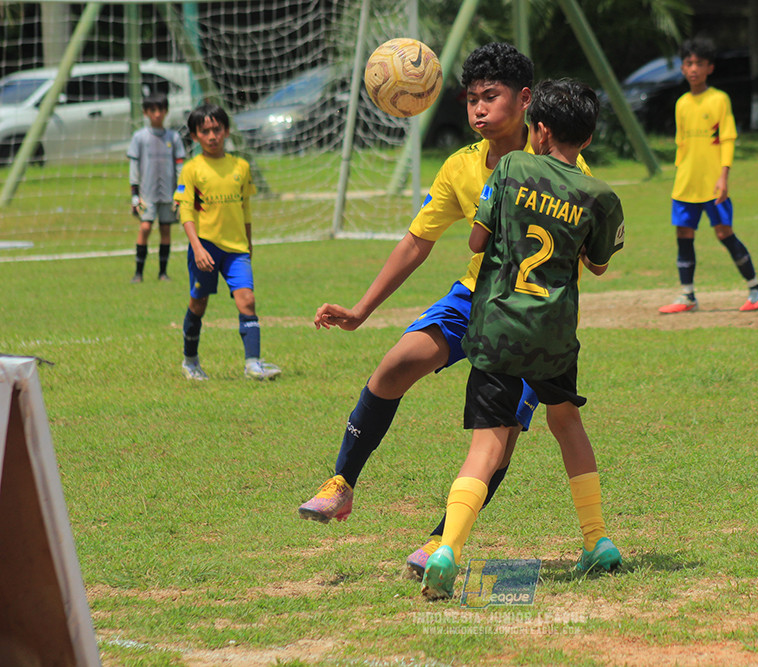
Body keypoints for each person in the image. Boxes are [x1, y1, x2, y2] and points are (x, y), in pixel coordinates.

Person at [300, 43, 594, 577]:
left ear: (526, 100)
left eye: (492, 96)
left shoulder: (562, 163)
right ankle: (341, 483)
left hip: (531, 315)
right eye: (471, 99)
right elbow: (418, 241)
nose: (479, 108)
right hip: (473, 299)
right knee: (394, 367)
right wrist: (362, 309)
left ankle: (441, 541)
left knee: (499, 442)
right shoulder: (460, 167)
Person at [421, 78, 625, 600]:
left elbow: (475, 239)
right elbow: (597, 265)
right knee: (567, 422)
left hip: (498, 326)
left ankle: (447, 549)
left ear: (540, 130)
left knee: (487, 445)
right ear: (588, 136)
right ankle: (597, 540)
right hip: (553, 331)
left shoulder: (509, 168)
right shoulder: (600, 196)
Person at [658, 37, 758, 315]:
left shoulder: (719, 99)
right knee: (683, 234)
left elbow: (728, 139)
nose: (693, 68)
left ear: (710, 68)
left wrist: (724, 177)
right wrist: (679, 175)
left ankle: (756, 288)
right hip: (686, 183)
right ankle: (687, 296)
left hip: (712, 182)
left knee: (723, 232)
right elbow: (681, 145)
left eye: (699, 64)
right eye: (688, 63)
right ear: (682, 68)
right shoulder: (681, 103)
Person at [174, 103, 281, 382]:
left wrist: (248, 242)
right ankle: (190, 361)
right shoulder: (192, 169)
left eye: (216, 129)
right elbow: (185, 210)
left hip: (236, 249)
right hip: (205, 247)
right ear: (195, 136)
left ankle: (253, 364)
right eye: (205, 131)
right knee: (198, 304)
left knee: (248, 301)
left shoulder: (241, 166)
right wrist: (197, 247)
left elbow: (245, 208)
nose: (212, 136)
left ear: (226, 131)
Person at [128, 93, 186, 283]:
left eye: (161, 110)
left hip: (169, 194)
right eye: (153, 110)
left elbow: (180, 167)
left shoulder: (174, 137)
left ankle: (163, 272)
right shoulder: (140, 137)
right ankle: (138, 273)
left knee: (166, 230)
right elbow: (134, 167)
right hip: (147, 194)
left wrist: (181, 193)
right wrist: (135, 195)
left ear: (166, 111)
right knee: (145, 227)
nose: (158, 114)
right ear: (146, 112)